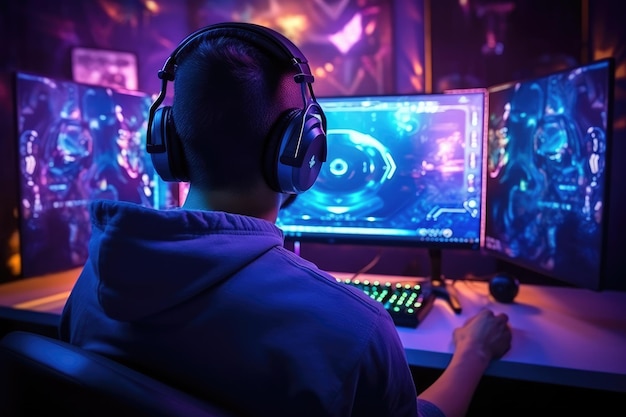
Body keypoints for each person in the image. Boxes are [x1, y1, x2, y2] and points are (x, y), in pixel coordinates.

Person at [59, 22, 512, 417]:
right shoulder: (353, 328)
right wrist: (472, 352)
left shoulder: (92, 284)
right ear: (302, 149)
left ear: (167, 142)